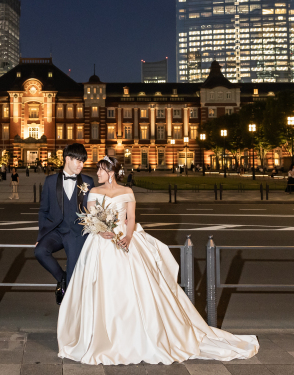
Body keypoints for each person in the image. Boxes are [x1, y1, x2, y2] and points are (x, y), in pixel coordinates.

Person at [57, 155, 259, 365]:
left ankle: (136, 335)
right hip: (99, 243)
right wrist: (100, 232)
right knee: (100, 287)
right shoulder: (95, 192)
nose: (96, 173)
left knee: (134, 287)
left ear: (111, 173)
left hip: (123, 240)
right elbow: (91, 217)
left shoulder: (127, 191)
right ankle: (99, 335)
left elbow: (131, 219)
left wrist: (127, 237)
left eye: (100, 170)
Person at [35, 143, 95, 306]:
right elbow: (43, 210)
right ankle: (61, 278)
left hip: (76, 233)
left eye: (83, 161)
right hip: (56, 231)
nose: (81, 165)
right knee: (40, 252)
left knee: (73, 274)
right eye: (78, 161)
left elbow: (95, 209)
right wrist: (41, 235)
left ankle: (70, 312)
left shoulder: (88, 182)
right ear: (67, 159)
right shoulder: (50, 181)